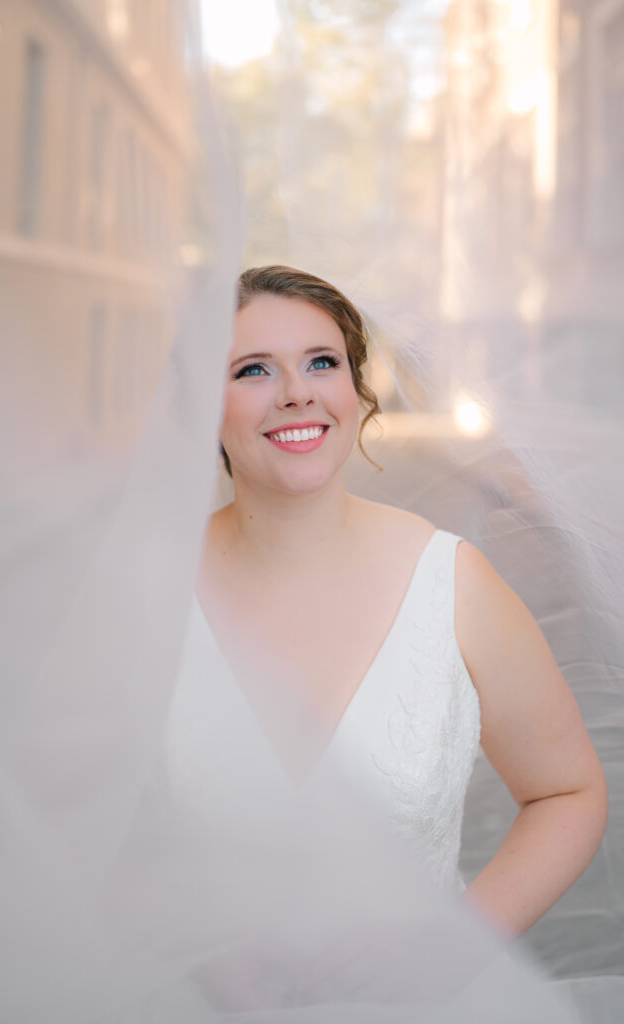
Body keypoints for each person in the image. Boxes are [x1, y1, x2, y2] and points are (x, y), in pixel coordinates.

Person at [177, 264, 608, 959]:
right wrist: (186, 954)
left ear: (355, 391)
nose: (295, 394)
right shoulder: (151, 597)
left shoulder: (451, 583)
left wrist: (450, 955)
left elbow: (566, 792)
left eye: (322, 362)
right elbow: (72, 829)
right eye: (252, 370)